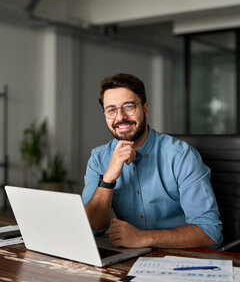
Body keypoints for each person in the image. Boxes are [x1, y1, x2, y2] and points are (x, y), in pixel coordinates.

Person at [82, 73, 223, 249]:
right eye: (111, 110)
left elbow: (209, 232)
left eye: (129, 106)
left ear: (146, 109)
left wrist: (142, 238)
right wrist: (108, 179)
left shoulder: (181, 155)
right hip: (130, 260)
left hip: (184, 259)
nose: (120, 117)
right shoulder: (99, 158)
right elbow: (92, 228)